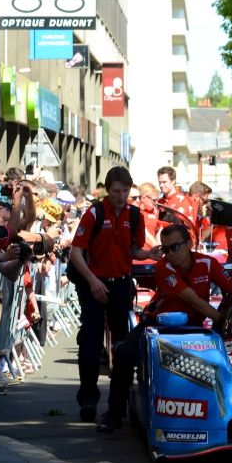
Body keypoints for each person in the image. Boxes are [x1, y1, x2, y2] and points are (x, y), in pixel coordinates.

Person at [96, 222, 232, 433]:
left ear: (189, 244)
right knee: (124, 353)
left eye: (175, 247)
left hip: (195, 327)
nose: (170, 253)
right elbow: (191, 298)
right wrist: (219, 318)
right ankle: (114, 413)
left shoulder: (208, 262)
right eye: (165, 248)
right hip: (159, 324)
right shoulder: (162, 267)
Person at [68, 166, 155, 424]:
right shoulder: (94, 212)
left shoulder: (135, 215)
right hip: (94, 283)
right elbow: (75, 252)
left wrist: (151, 254)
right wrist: (93, 280)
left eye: (125, 191)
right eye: (116, 191)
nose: (121, 195)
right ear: (108, 190)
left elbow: (134, 250)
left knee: (122, 345)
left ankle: (118, 404)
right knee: (91, 341)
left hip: (120, 284)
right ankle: (88, 399)